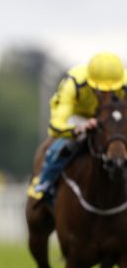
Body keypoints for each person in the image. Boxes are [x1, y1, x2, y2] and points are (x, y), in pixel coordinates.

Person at [30, 51, 127, 203]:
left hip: (108, 118)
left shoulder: (124, 82)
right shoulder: (74, 83)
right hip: (77, 116)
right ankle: (44, 182)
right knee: (64, 145)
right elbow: (56, 126)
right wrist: (79, 128)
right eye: (100, 89)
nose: (107, 92)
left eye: (112, 89)